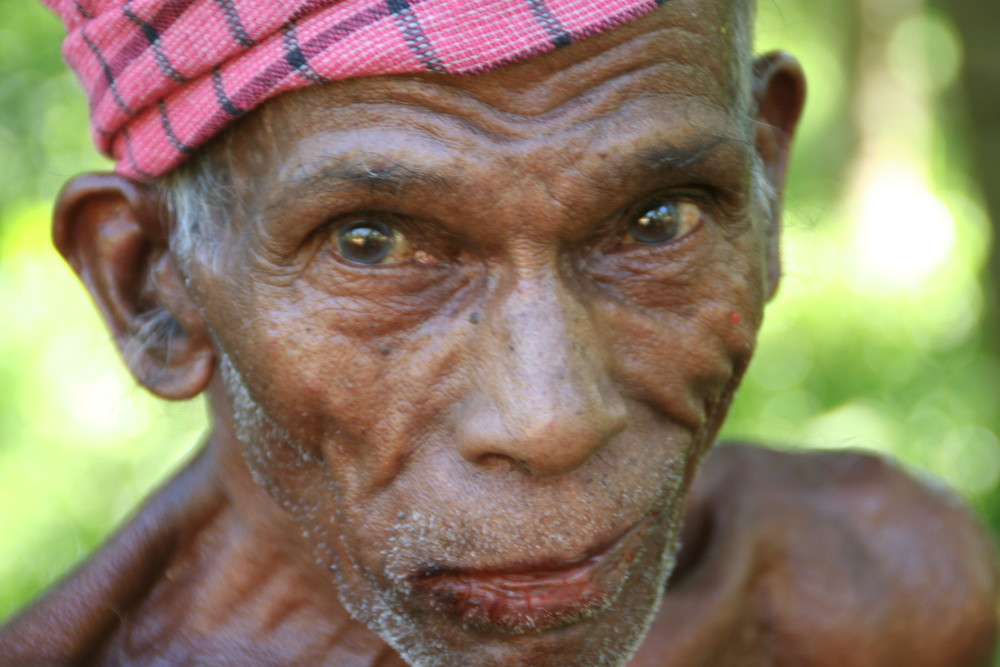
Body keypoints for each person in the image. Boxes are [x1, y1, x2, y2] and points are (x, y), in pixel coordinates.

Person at [1, 0, 997, 664]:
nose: (551, 418)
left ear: (767, 188)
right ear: (151, 287)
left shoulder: (867, 590)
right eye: (371, 245)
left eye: (658, 221)